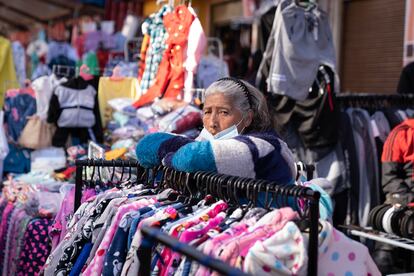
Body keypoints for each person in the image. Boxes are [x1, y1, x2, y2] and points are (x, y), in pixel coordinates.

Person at [135, 77, 296, 186]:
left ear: (247, 118)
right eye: (207, 112)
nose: (212, 122)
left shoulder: (267, 146)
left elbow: (191, 158)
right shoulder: (207, 143)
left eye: (223, 112)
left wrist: (168, 158)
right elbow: (145, 147)